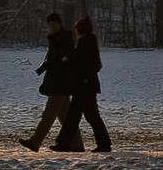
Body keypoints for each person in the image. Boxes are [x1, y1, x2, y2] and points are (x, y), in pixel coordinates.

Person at [54, 17, 112, 152]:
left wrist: (69, 64)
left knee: (73, 116)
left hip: (83, 86)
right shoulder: (89, 43)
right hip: (89, 86)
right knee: (92, 116)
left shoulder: (85, 44)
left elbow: (81, 65)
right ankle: (104, 143)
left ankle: (63, 143)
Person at [19, 13, 74, 151]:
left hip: (60, 83)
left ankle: (35, 142)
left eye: (54, 24)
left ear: (60, 24)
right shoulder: (55, 39)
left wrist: (51, 65)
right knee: (66, 118)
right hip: (58, 82)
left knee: (48, 116)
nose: (52, 27)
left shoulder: (64, 38)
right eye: (50, 25)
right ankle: (76, 144)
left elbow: (65, 59)